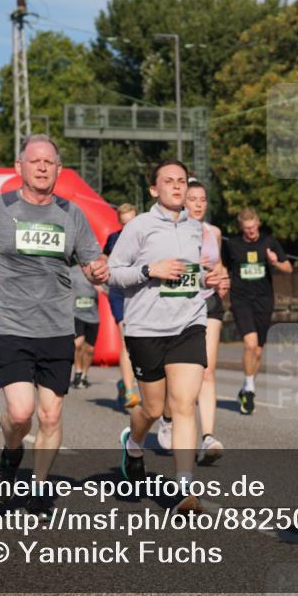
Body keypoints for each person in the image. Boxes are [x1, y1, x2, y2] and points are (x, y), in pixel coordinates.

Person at [0, 134, 108, 519]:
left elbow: (92, 261)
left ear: (59, 169)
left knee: (51, 415)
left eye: (49, 162)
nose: (42, 167)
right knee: (21, 412)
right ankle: (11, 454)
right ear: (19, 167)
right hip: (11, 324)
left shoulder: (72, 213)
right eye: (35, 160)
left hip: (57, 327)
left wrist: (98, 269)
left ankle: (40, 489)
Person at [109, 160, 227, 514]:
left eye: (181, 181)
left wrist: (207, 278)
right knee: (153, 408)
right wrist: (150, 270)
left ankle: (184, 488)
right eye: (169, 181)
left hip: (188, 323)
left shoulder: (196, 229)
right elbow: (113, 274)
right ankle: (133, 444)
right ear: (153, 189)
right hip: (146, 329)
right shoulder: (139, 227)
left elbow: (192, 272)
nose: (177, 186)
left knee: (183, 404)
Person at [156, 180, 229, 464]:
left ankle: (208, 436)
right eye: (193, 199)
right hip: (179, 305)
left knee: (207, 370)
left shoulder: (214, 232)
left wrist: (222, 279)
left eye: (203, 199)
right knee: (175, 376)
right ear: (184, 202)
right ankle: (167, 417)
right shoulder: (172, 231)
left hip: (208, 303)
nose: (198, 204)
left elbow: (217, 264)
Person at [220, 207, 293, 415]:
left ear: (258, 223)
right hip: (241, 299)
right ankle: (251, 390)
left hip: (264, 300)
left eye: (253, 227)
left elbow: (289, 268)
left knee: (258, 351)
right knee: (250, 344)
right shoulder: (232, 244)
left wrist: (275, 262)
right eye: (247, 228)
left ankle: (246, 387)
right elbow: (223, 267)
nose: (251, 231)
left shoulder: (269, 242)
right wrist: (222, 283)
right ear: (241, 228)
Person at [103, 203, 140, 411]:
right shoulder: (113, 239)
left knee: (140, 343)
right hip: (119, 294)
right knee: (127, 341)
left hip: (140, 293)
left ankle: (125, 383)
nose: (128, 227)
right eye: (124, 223)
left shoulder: (146, 237)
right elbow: (103, 260)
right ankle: (130, 391)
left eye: (132, 222)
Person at [71, 265, 103, 389]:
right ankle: (77, 373)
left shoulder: (97, 271)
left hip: (93, 317)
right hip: (76, 314)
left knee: (89, 349)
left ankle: (84, 376)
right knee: (78, 344)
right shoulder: (72, 271)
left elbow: (109, 291)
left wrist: (101, 288)